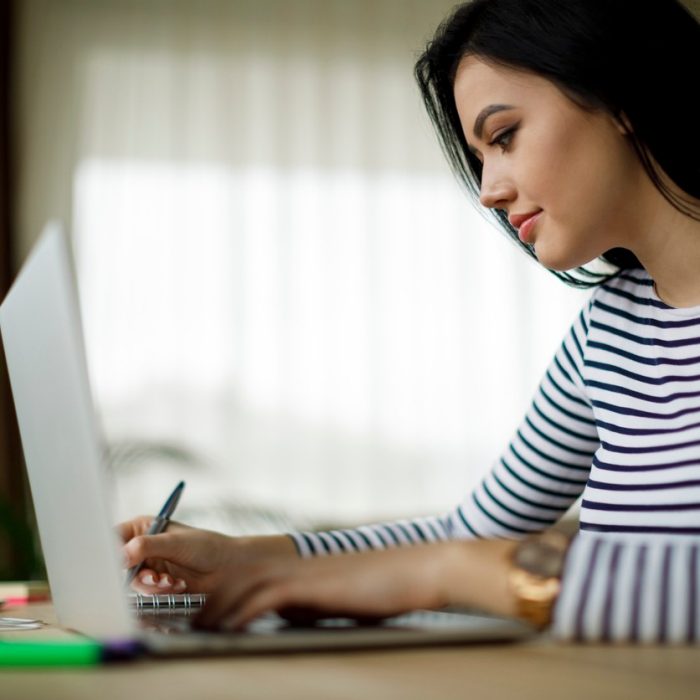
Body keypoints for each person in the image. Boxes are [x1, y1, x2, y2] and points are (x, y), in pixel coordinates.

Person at [120, 0, 700, 642]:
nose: (489, 189)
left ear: (619, 94)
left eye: (504, 136)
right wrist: (250, 557)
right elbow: (469, 535)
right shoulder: (607, 333)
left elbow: (458, 558)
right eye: (481, 155)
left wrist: (451, 570)